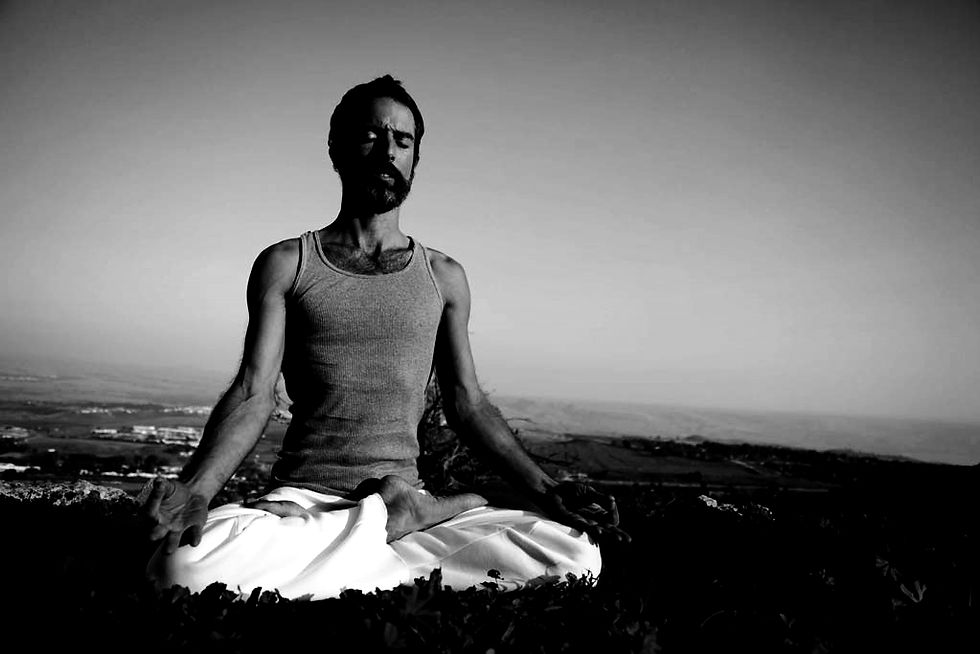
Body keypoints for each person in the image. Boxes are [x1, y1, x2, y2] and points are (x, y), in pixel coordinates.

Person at [142, 75, 627, 600]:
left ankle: (374, 539)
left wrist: (548, 491)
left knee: (578, 554)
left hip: (409, 503)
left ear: (415, 160)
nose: (388, 152)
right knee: (180, 567)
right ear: (336, 149)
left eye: (402, 140)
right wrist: (198, 488)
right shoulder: (286, 264)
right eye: (371, 135)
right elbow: (254, 392)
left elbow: (467, 404)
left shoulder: (443, 277)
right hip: (307, 501)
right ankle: (381, 530)